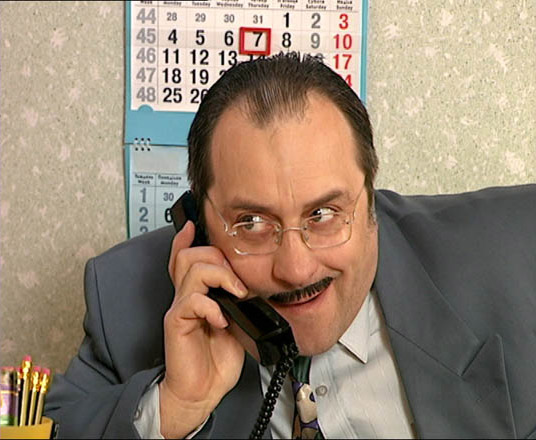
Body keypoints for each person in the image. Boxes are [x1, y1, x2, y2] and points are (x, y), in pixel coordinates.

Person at [45, 52, 536, 439]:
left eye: (323, 215)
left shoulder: (516, 252)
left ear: (370, 203)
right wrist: (177, 407)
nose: (297, 270)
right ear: (199, 223)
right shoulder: (122, 297)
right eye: (252, 223)